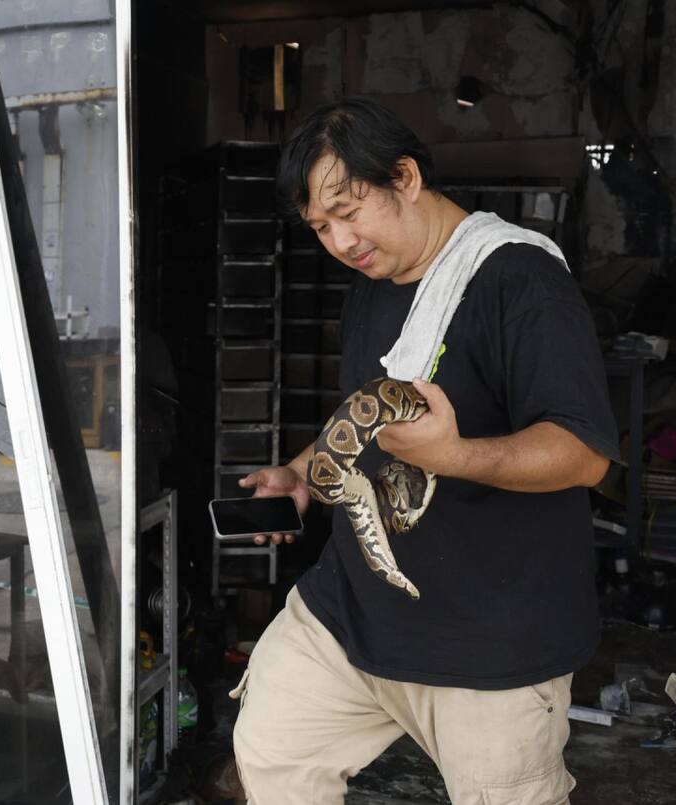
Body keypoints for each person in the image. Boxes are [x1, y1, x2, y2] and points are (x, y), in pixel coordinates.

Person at [231, 98, 620, 804]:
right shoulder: (373, 284)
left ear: (405, 177)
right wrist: (300, 473)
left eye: (349, 211)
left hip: (489, 643)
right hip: (349, 616)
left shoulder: (521, 280)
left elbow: (583, 452)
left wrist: (457, 456)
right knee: (272, 756)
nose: (341, 241)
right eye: (321, 226)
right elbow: (360, 416)